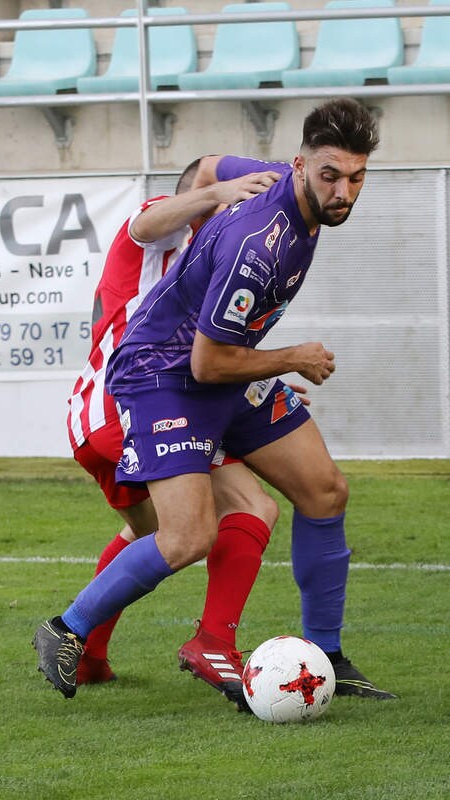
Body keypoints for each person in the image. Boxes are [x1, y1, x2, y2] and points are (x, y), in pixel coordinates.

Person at [34, 98, 396, 705]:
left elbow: (206, 164)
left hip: (221, 370)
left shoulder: (289, 180)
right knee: (185, 538)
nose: (344, 192)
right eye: (331, 176)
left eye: (356, 178)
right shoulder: (258, 246)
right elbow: (205, 361)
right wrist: (289, 359)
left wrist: (218, 176)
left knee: (323, 490)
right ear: (302, 166)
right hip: (166, 377)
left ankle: (326, 655)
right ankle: (67, 629)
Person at [65, 160, 290, 708]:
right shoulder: (160, 227)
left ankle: (89, 655)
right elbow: (146, 223)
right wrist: (217, 190)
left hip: (104, 415)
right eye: (231, 199)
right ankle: (212, 642)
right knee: (249, 509)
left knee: (151, 538)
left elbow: (209, 355)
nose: (241, 208)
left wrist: (264, 378)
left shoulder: (209, 261)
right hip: (129, 405)